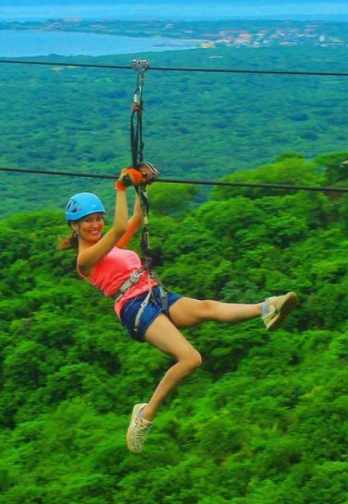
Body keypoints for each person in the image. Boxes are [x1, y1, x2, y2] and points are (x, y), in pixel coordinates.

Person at [58, 168, 298, 453]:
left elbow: (134, 219)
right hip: (136, 309)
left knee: (208, 307)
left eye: (98, 218)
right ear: (75, 226)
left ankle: (267, 308)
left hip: (155, 294)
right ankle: (145, 415)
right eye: (88, 221)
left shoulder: (112, 248)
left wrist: (140, 187)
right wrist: (120, 189)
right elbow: (120, 228)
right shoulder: (85, 259)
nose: (96, 224)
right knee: (190, 359)